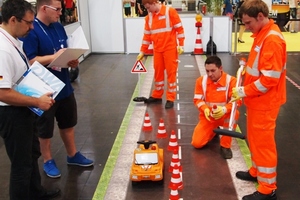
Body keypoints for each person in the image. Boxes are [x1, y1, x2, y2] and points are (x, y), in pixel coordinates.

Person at [21, 0, 94, 179]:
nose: (61, 13)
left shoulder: (58, 27)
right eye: (58, 9)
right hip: (44, 89)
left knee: (68, 122)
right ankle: (48, 160)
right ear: (44, 8)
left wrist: (72, 59)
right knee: (45, 129)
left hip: (64, 85)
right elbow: (29, 61)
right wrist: (53, 57)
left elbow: (65, 51)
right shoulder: (32, 31)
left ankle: (72, 154)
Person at [0, 0, 61, 199]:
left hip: (24, 109)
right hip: (12, 113)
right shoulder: (2, 49)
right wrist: (36, 102)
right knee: (21, 166)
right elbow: (2, 92)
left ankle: (36, 192)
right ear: (12, 20)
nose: (32, 27)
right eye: (28, 22)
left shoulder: (13, 39)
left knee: (32, 155)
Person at [231, 0, 286, 199]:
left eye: (248, 23)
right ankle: (257, 171)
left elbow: (269, 80)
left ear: (260, 17)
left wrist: (243, 91)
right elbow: (260, 67)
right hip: (257, 101)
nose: (246, 27)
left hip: (265, 102)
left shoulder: (271, 39)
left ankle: (267, 187)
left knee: (263, 143)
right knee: (254, 139)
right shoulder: (261, 34)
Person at [137, 0, 185, 109]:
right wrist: (142, 51)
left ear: (154, 3)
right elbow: (147, 36)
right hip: (157, 50)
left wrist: (181, 45)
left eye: (148, 7)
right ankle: (157, 96)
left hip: (170, 49)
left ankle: (170, 98)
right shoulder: (149, 18)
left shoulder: (170, 12)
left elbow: (180, 29)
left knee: (171, 73)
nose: (148, 10)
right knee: (158, 73)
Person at [191, 56, 239, 159]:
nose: (209, 74)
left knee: (234, 114)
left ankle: (225, 146)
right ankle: (214, 131)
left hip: (225, 116)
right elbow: (197, 100)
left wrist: (224, 109)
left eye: (213, 71)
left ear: (221, 68)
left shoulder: (231, 81)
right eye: (207, 71)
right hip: (209, 117)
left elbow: (237, 101)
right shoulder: (201, 81)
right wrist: (205, 109)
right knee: (197, 143)